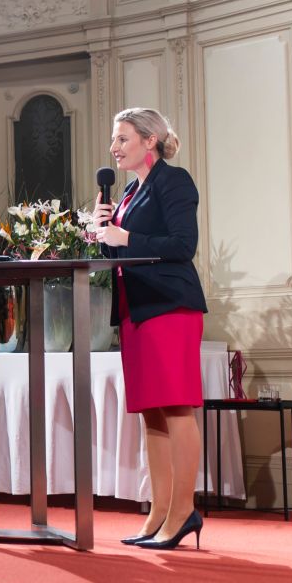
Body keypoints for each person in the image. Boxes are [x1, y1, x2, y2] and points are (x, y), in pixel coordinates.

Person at [88, 107, 210, 550]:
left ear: (149, 141)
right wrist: (100, 235)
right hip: (136, 310)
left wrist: (125, 239)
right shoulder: (124, 196)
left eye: (122, 139)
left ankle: (183, 512)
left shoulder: (173, 181)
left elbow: (183, 245)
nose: (113, 148)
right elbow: (123, 251)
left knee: (176, 408)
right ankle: (158, 513)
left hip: (170, 307)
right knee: (152, 415)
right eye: (113, 140)